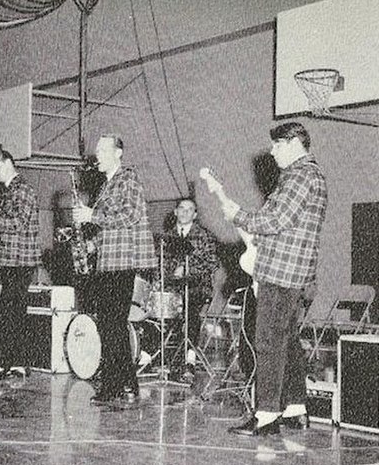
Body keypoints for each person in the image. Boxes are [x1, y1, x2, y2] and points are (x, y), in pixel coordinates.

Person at [221, 122, 327, 435]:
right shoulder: (313, 175)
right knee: (288, 341)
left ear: (293, 143)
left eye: (277, 145)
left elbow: (277, 218)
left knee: (267, 340)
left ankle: (266, 415)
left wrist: (239, 215)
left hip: (281, 272)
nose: (272, 151)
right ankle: (296, 409)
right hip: (296, 272)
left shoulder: (299, 174)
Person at [73, 135, 157, 405]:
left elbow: (130, 216)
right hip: (108, 260)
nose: (96, 155)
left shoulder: (127, 178)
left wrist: (91, 216)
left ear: (118, 152)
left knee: (114, 324)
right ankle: (119, 385)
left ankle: (122, 384)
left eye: (101, 149)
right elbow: (110, 227)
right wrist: (90, 243)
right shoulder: (107, 184)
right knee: (110, 325)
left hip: (123, 261)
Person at [0, 148, 41, 379]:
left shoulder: (21, 188)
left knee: (7, 311)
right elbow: (11, 225)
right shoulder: (10, 190)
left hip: (20, 260)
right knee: (15, 311)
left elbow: (20, 223)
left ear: (9, 164)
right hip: (14, 258)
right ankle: (19, 362)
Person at [164, 197, 219, 385]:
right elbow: (162, 263)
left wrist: (188, 270)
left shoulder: (205, 236)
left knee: (190, 311)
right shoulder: (167, 237)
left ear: (195, 215)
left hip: (198, 288)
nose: (185, 212)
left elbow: (212, 263)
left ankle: (189, 360)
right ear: (175, 212)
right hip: (173, 288)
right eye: (182, 208)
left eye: (190, 209)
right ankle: (149, 355)